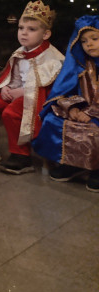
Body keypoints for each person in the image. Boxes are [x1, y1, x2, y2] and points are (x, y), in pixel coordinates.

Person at [0, 0, 63, 174]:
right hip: (18, 93)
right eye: (21, 28)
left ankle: (21, 156)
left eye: (31, 29)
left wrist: (22, 93)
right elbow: (13, 77)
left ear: (46, 34)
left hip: (38, 99)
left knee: (12, 113)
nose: (24, 33)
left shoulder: (52, 58)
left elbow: (47, 88)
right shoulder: (20, 52)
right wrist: (7, 88)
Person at [34, 16, 99, 191]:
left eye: (95, 39)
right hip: (83, 110)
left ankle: (96, 168)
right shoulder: (81, 65)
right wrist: (72, 107)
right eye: (84, 41)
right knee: (53, 120)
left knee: (94, 131)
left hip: (96, 114)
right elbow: (65, 90)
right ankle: (73, 163)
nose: (89, 44)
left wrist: (91, 113)